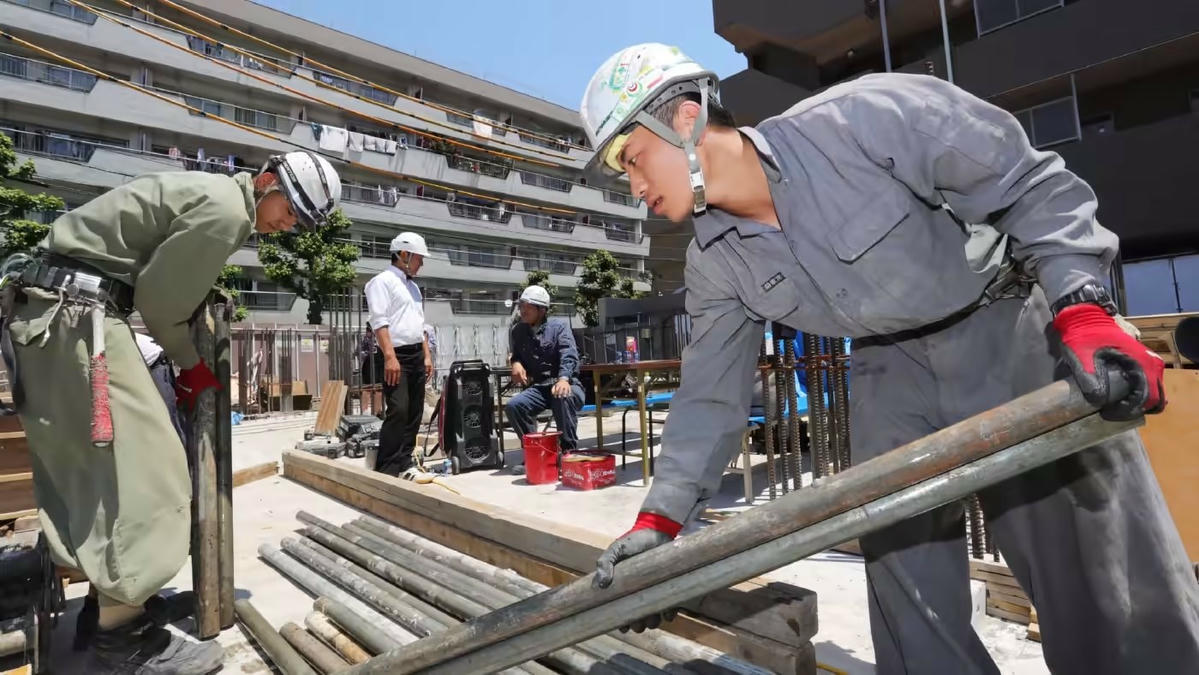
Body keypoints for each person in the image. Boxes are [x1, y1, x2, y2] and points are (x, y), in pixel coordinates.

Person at [579, 44, 1198, 674]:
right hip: (887, 366)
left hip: (1003, 317)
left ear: (684, 121)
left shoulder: (863, 118)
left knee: (1101, 572)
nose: (635, 188)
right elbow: (709, 396)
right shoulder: (714, 264)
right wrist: (661, 521)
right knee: (905, 580)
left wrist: (1084, 309)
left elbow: (1030, 184)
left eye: (632, 160)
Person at [1, 150, 340, 673]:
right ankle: (126, 641)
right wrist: (189, 364)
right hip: (76, 317)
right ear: (268, 181)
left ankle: (109, 605)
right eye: (289, 211)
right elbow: (160, 304)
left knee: (100, 474)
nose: (285, 226)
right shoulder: (228, 210)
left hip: (51, 314)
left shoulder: (211, 195)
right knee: (150, 474)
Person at [364, 232, 434, 477]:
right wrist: (390, 357)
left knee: (414, 411)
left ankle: (405, 462)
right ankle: (388, 466)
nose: (421, 263)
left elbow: (420, 325)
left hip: (415, 353)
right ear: (403, 255)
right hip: (397, 355)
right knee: (399, 409)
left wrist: (426, 355)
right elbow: (379, 322)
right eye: (418, 258)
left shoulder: (413, 287)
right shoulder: (381, 282)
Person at [504, 285, 584, 475]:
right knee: (515, 406)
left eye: (528, 306)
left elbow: (569, 355)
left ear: (542, 310)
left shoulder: (559, 327)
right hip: (540, 387)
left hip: (568, 384)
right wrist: (515, 363)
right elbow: (516, 356)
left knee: (561, 396)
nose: (522, 310)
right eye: (521, 305)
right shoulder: (518, 331)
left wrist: (564, 378)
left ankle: (568, 452)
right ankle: (537, 453)